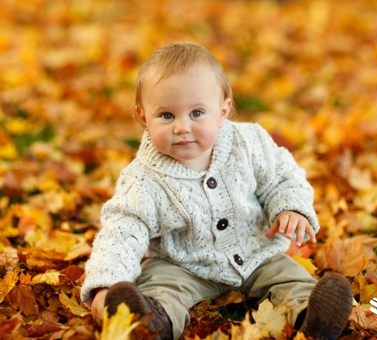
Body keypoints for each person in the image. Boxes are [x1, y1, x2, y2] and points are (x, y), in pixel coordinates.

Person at [80, 41, 352, 339]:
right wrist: (106, 284)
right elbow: (123, 231)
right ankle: (149, 322)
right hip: (184, 264)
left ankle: (312, 317)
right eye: (166, 116)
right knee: (161, 287)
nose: (182, 127)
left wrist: (290, 207)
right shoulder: (143, 180)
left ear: (223, 111)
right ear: (143, 117)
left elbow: (282, 177)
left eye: (197, 113)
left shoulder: (249, 143)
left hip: (258, 253)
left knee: (290, 280)